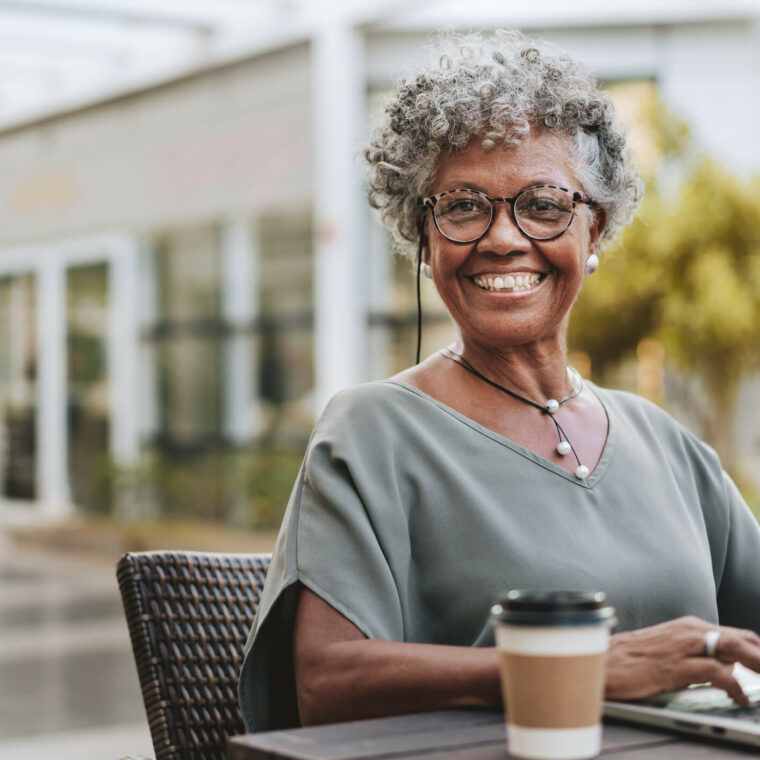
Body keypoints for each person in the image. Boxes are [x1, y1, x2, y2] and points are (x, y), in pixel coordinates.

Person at [238, 29, 760, 732]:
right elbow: (327, 682)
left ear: (595, 228)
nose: (504, 238)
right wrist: (588, 668)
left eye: (543, 203)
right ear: (423, 240)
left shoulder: (666, 444)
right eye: (462, 206)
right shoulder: (372, 434)